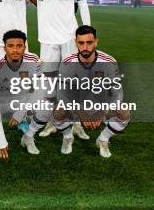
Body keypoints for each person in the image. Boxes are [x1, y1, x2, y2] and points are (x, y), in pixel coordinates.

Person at [29, 0, 91, 141]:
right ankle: (51, 122)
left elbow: (83, 3)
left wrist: (86, 31)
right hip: (46, 40)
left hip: (69, 37)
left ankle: (76, 124)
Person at [0, 30, 51, 159]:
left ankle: (28, 136)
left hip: (21, 100)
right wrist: (1, 141)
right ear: (4, 48)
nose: (15, 50)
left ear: (25, 47)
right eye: (11, 46)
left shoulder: (34, 60)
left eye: (19, 46)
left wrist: (20, 113)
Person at [53, 25, 130, 158]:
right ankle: (67, 137)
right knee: (58, 111)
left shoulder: (109, 61)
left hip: (101, 105)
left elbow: (117, 93)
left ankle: (103, 139)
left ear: (96, 42)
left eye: (89, 42)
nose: (85, 47)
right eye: (81, 43)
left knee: (124, 112)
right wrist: (82, 113)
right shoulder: (67, 62)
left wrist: (100, 112)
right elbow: (62, 95)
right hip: (77, 107)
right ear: (76, 43)